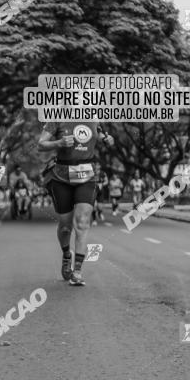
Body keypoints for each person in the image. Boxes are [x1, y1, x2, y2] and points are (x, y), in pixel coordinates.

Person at [38, 122, 114, 286]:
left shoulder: (94, 118)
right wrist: (59, 143)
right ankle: (67, 255)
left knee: (82, 221)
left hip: (87, 177)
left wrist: (108, 140)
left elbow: (102, 136)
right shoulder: (57, 117)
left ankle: (77, 271)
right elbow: (41, 144)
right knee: (65, 226)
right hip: (61, 177)